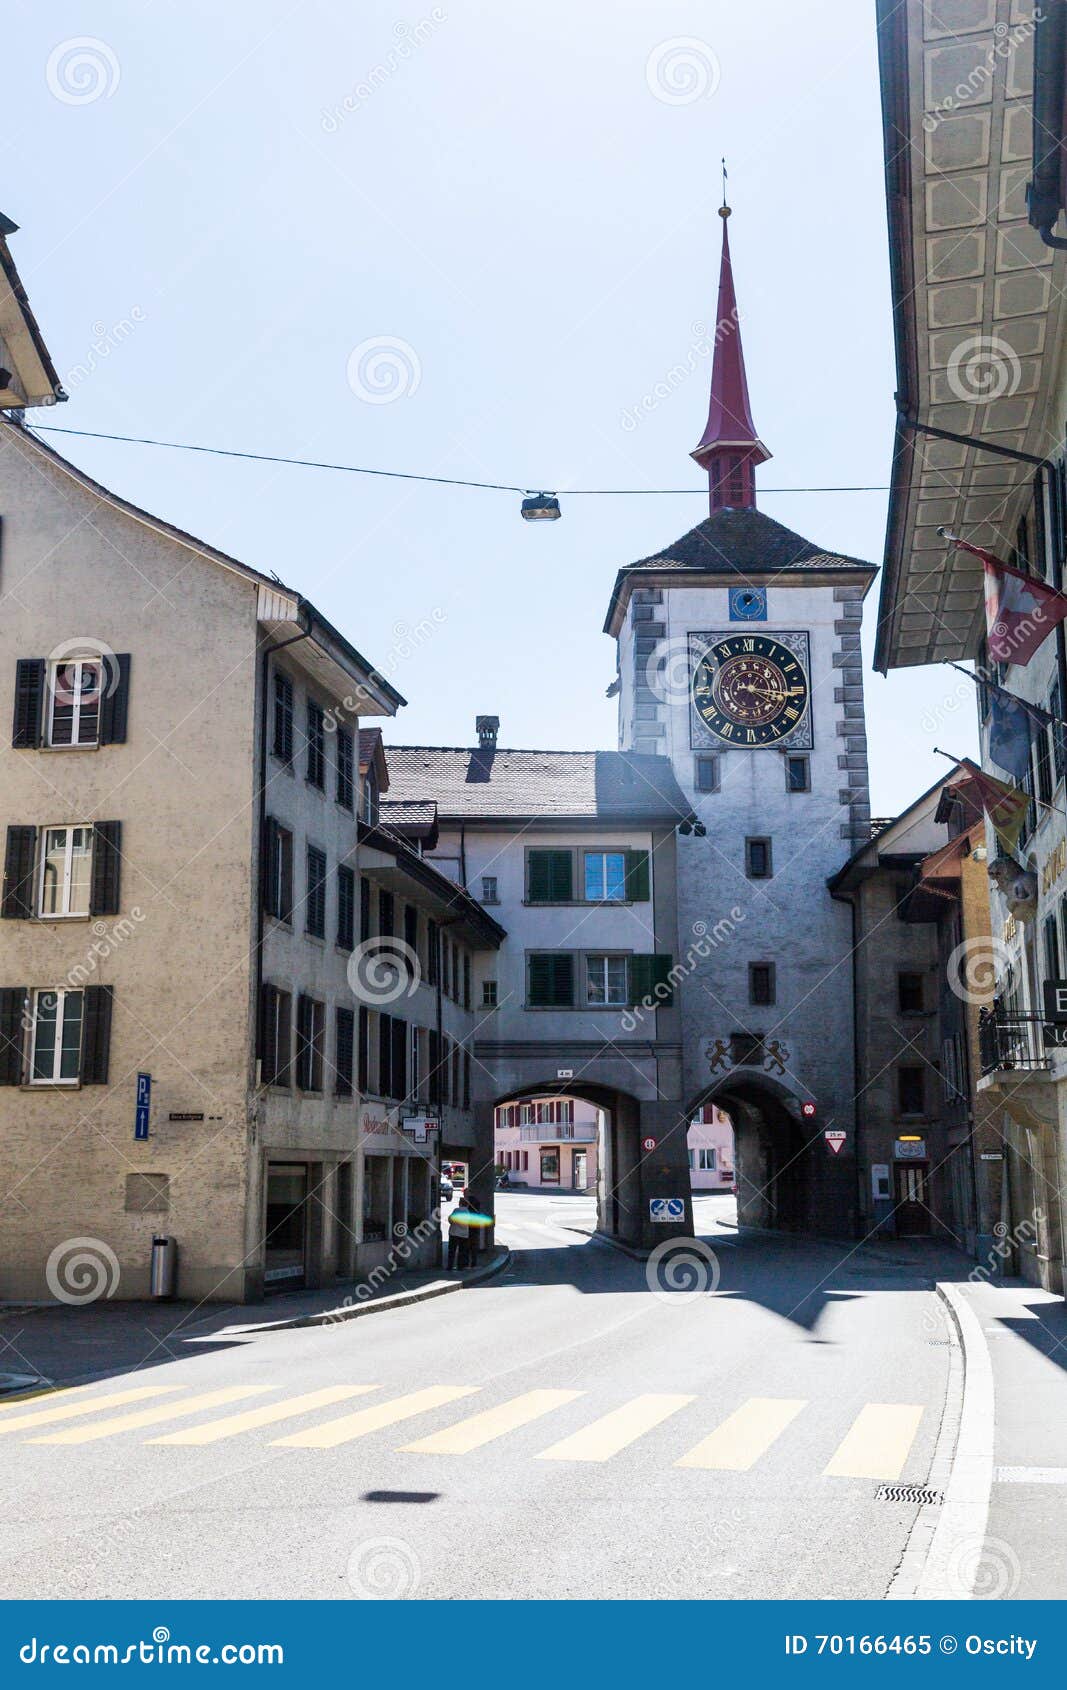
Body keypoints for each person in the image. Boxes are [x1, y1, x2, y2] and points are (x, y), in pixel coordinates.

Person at [447, 1191, 474, 1270]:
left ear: (460, 1203)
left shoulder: (456, 1210)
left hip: (454, 1233)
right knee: (462, 1251)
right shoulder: (468, 1213)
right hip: (464, 1234)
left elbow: (450, 1219)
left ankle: (450, 1266)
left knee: (452, 1250)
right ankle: (460, 1266)